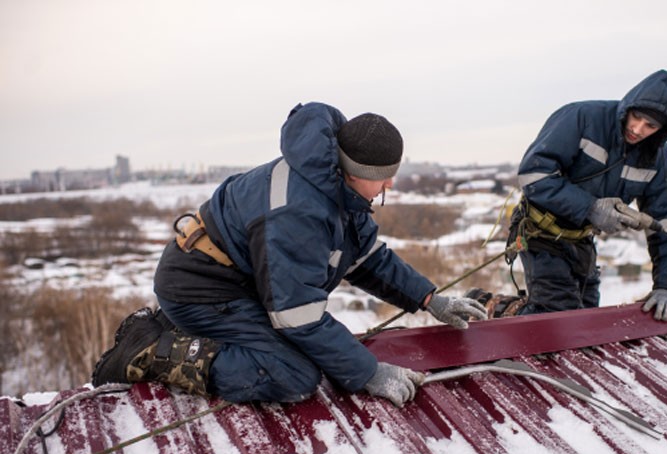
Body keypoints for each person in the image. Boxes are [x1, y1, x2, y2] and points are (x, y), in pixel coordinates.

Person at [92, 102, 487, 407]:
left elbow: (367, 259)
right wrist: (368, 373)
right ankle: (150, 348)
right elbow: (298, 316)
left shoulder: (333, 185)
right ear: (356, 171)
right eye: (384, 175)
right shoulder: (297, 212)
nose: (391, 183)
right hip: (204, 291)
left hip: (244, 285)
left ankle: (194, 332)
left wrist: (431, 298)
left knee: (312, 353)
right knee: (292, 375)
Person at [500, 69, 667, 321]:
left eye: (650, 126)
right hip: (540, 231)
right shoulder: (582, 118)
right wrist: (590, 208)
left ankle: (518, 311)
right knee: (561, 317)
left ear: (663, 130)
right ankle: (494, 308)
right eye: (636, 117)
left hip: (580, 239)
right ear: (629, 106)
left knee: (588, 317)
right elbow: (533, 176)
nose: (637, 128)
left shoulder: (655, 158)